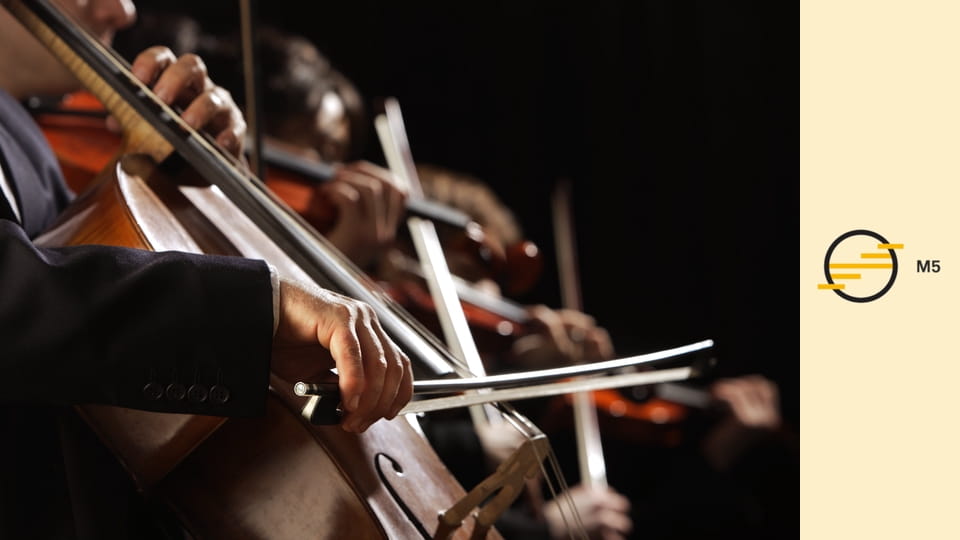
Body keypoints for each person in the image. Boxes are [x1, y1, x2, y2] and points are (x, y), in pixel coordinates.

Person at [0, 1, 412, 537]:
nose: (122, 10)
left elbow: (79, 288)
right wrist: (262, 311)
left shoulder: (21, 135)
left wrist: (181, 183)